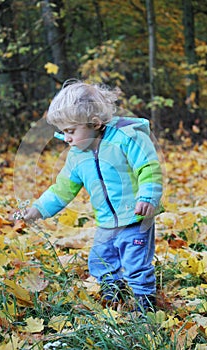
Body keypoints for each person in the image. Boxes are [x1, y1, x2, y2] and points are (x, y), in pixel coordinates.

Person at [22, 80, 163, 311]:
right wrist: (38, 209)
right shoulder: (77, 156)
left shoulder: (127, 138)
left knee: (136, 263)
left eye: (71, 131)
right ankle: (113, 295)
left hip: (137, 218)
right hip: (106, 222)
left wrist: (147, 197)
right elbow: (62, 188)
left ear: (95, 124)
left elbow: (147, 167)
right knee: (101, 260)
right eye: (63, 132)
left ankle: (144, 305)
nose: (66, 138)